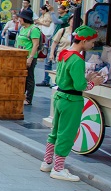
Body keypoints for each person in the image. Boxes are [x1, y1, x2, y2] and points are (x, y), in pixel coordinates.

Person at [43, 26, 104, 181]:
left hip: (60, 97)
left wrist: (86, 78)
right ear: (83, 41)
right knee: (67, 134)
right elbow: (79, 86)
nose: (92, 45)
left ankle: (47, 162)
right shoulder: (77, 59)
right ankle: (58, 169)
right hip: (71, 100)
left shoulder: (65, 53)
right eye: (91, 42)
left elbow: (65, 78)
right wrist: (93, 83)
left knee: (55, 131)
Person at [15, 9, 42, 106]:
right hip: (20, 56)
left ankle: (29, 98)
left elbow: (35, 44)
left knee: (29, 77)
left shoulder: (34, 29)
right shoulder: (22, 28)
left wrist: (30, 58)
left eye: (20, 18)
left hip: (29, 56)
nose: (19, 20)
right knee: (22, 76)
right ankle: (21, 95)